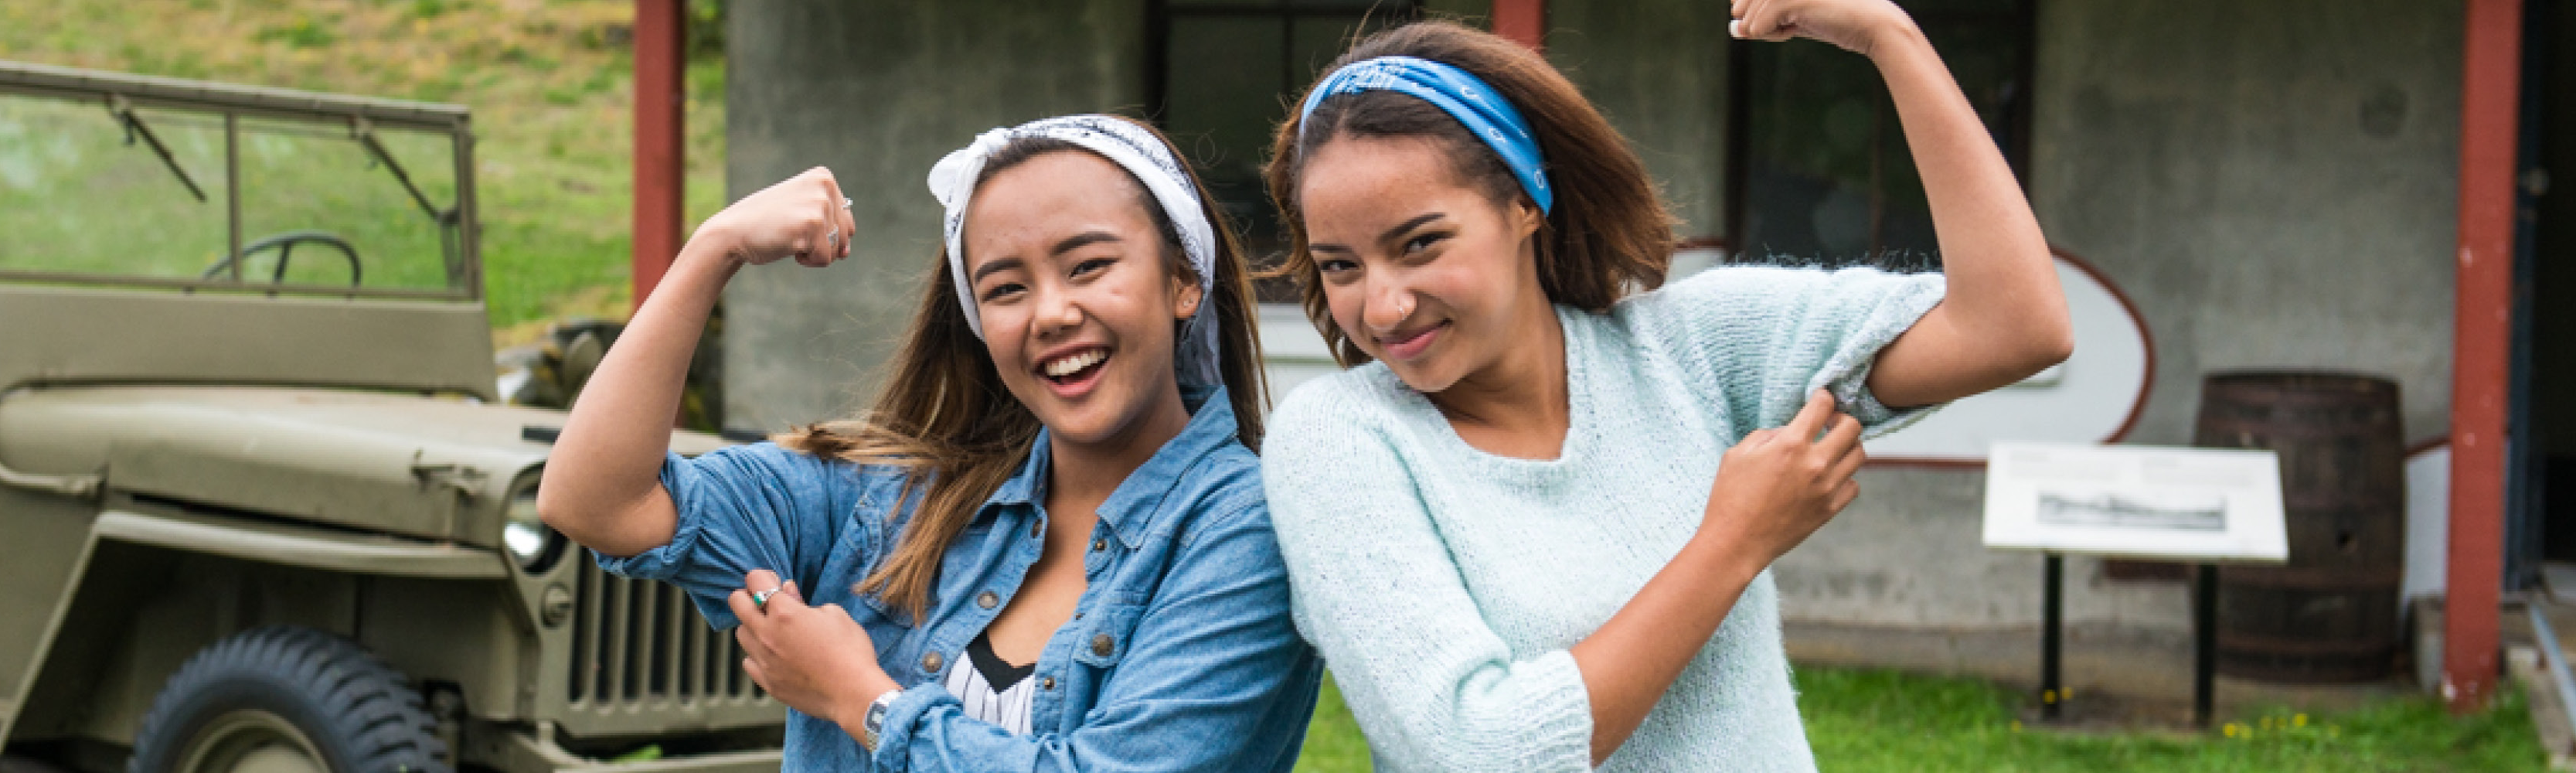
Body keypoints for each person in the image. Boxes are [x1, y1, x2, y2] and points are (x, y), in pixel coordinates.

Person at [1256, 2, 2074, 770]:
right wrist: (1732, 542)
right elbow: (1485, 752)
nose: (1384, 303)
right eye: (1339, 266)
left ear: (1524, 202)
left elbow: (2013, 327)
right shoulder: (1337, 440)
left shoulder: (1692, 350)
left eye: (1421, 244)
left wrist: (1888, 37)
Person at [537, 114, 1321, 771]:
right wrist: (716, 250)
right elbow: (599, 502)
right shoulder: (894, 504)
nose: (1049, 313)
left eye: (1088, 266)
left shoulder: (1248, 526)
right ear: (981, 326)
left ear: (1183, 280)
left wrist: (861, 699)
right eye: (1005, 288)